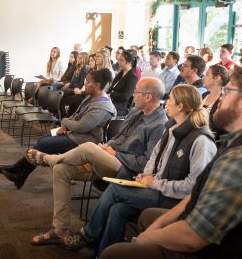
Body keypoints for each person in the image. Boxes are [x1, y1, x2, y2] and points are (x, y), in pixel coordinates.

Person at [100, 66, 242, 259]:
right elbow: (195, 196)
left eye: (227, 91)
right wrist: (154, 229)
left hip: (222, 249)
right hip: (207, 232)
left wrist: (146, 239)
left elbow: (193, 237)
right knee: (146, 217)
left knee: (114, 254)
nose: (220, 99)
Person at [63, 84, 217, 255]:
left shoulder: (201, 141)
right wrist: (146, 176)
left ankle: (89, 235)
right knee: (117, 210)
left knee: (115, 190)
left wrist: (155, 183)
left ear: (180, 106)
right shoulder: (172, 129)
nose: (166, 102)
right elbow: (154, 160)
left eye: (171, 100)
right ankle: (103, 253)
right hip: (159, 190)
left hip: (175, 201)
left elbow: (193, 189)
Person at [25, 78, 167, 245]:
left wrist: (114, 153)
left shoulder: (159, 126)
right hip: (109, 159)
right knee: (61, 170)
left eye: (136, 92)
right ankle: (60, 229)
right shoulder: (136, 112)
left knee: (88, 147)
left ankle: (48, 159)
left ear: (148, 97)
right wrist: (106, 146)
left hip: (126, 171)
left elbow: (147, 164)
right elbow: (118, 137)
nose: (133, 95)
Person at [0, 69, 117, 189]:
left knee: (44, 144)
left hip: (86, 140)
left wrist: (64, 122)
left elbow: (82, 127)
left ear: (97, 85)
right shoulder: (91, 97)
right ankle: (19, 173)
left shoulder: (102, 107)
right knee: (43, 140)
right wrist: (65, 125)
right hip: (74, 133)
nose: (85, 84)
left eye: (88, 82)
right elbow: (76, 116)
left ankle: (17, 171)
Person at [202, 65, 229, 142]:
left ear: (217, 78)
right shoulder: (203, 96)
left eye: (207, 74)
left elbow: (220, 129)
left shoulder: (224, 101)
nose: (203, 78)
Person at [107, 50, 138, 116]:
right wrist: (106, 94)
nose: (119, 62)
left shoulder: (132, 77)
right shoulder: (121, 73)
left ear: (129, 63)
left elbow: (125, 96)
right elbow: (112, 86)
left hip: (120, 107)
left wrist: (111, 94)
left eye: (121, 60)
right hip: (112, 102)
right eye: (119, 60)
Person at [60, 52, 91, 118]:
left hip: (77, 90)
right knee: (61, 93)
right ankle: (61, 118)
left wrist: (72, 86)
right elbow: (72, 81)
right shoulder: (78, 68)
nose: (78, 59)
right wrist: (69, 84)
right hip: (73, 88)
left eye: (80, 58)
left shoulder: (85, 68)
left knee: (62, 95)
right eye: (78, 58)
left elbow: (80, 84)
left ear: (84, 59)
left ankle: (63, 119)